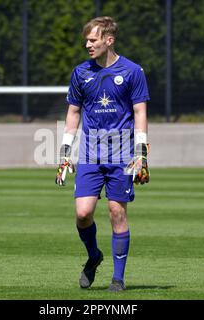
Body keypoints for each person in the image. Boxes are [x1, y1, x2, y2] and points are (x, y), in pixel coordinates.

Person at [55, 16, 150, 292]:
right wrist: (64, 153)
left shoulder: (133, 71)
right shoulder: (80, 73)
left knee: (116, 211)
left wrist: (141, 153)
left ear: (109, 40)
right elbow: (73, 113)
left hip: (122, 152)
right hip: (90, 151)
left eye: (93, 39)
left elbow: (140, 112)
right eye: (86, 39)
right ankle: (94, 255)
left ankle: (118, 279)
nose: (87, 44)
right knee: (83, 213)